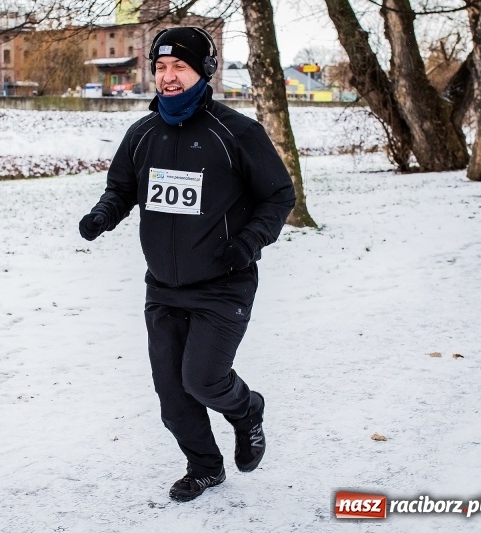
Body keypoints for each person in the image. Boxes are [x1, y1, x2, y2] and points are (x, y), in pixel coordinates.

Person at [78, 27, 296, 502]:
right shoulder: (142, 134)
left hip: (224, 285)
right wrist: (102, 216)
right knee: (173, 400)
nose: (168, 77)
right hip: (163, 288)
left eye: (180, 67)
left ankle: (247, 411)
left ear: (203, 73)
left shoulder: (236, 132)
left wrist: (248, 243)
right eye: (160, 67)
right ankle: (205, 468)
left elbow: (279, 195)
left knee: (203, 380)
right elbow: (121, 189)